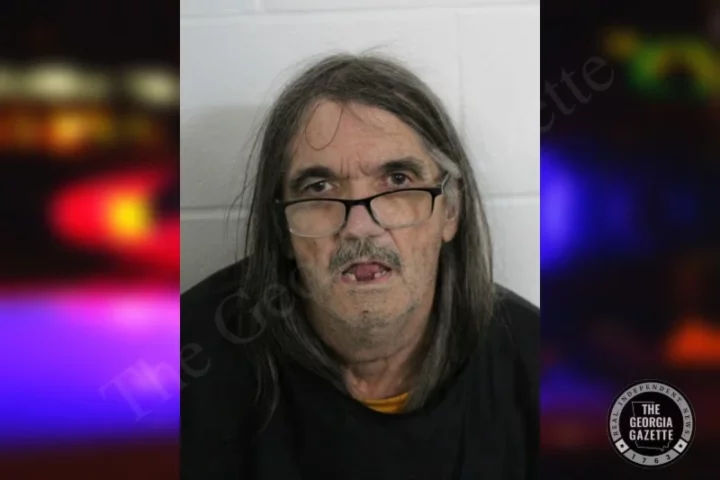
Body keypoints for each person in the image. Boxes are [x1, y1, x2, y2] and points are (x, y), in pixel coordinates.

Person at [181, 53, 539, 480]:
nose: (360, 227)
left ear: (450, 211)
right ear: (281, 228)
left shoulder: (536, 366)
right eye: (319, 187)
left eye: (398, 180)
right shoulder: (187, 359)